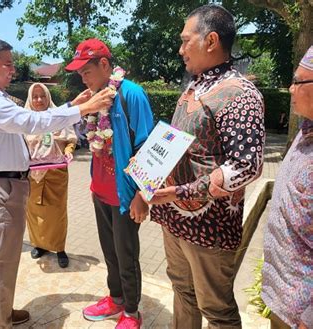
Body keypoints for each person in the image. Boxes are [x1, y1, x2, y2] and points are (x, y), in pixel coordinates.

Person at [0, 37, 113, 328]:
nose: (13, 70)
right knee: (0, 265)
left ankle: (3, 313)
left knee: (7, 261)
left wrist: (72, 104)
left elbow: (37, 117)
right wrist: (82, 109)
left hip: (9, 186)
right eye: (7, 64)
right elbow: (32, 122)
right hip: (1, 189)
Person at [144, 5, 265, 328]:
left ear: (211, 40)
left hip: (210, 230)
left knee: (217, 310)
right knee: (183, 292)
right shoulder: (194, 86)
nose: (181, 49)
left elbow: (246, 166)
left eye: (186, 41)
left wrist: (180, 191)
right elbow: (174, 143)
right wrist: (144, 173)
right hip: (175, 220)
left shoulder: (240, 94)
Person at [65, 38, 154, 328]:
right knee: (110, 253)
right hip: (100, 191)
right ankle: (115, 298)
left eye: (86, 71)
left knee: (127, 256)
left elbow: (147, 148)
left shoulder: (131, 95)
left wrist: (143, 195)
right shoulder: (93, 98)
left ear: (104, 65)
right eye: (79, 72)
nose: (82, 77)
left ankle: (131, 311)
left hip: (125, 195)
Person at [261, 46, 313, 329]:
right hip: (283, 302)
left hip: (301, 313)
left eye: (298, 81)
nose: (291, 89)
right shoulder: (306, 131)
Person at [24, 83, 77, 268]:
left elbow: (71, 140)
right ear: (30, 99)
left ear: (48, 97)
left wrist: (69, 150)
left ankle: (59, 248)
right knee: (34, 211)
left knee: (57, 212)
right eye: (35, 97)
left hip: (56, 172)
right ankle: (39, 245)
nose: (39, 100)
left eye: (42, 96)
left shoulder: (59, 118)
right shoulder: (25, 121)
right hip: (33, 175)